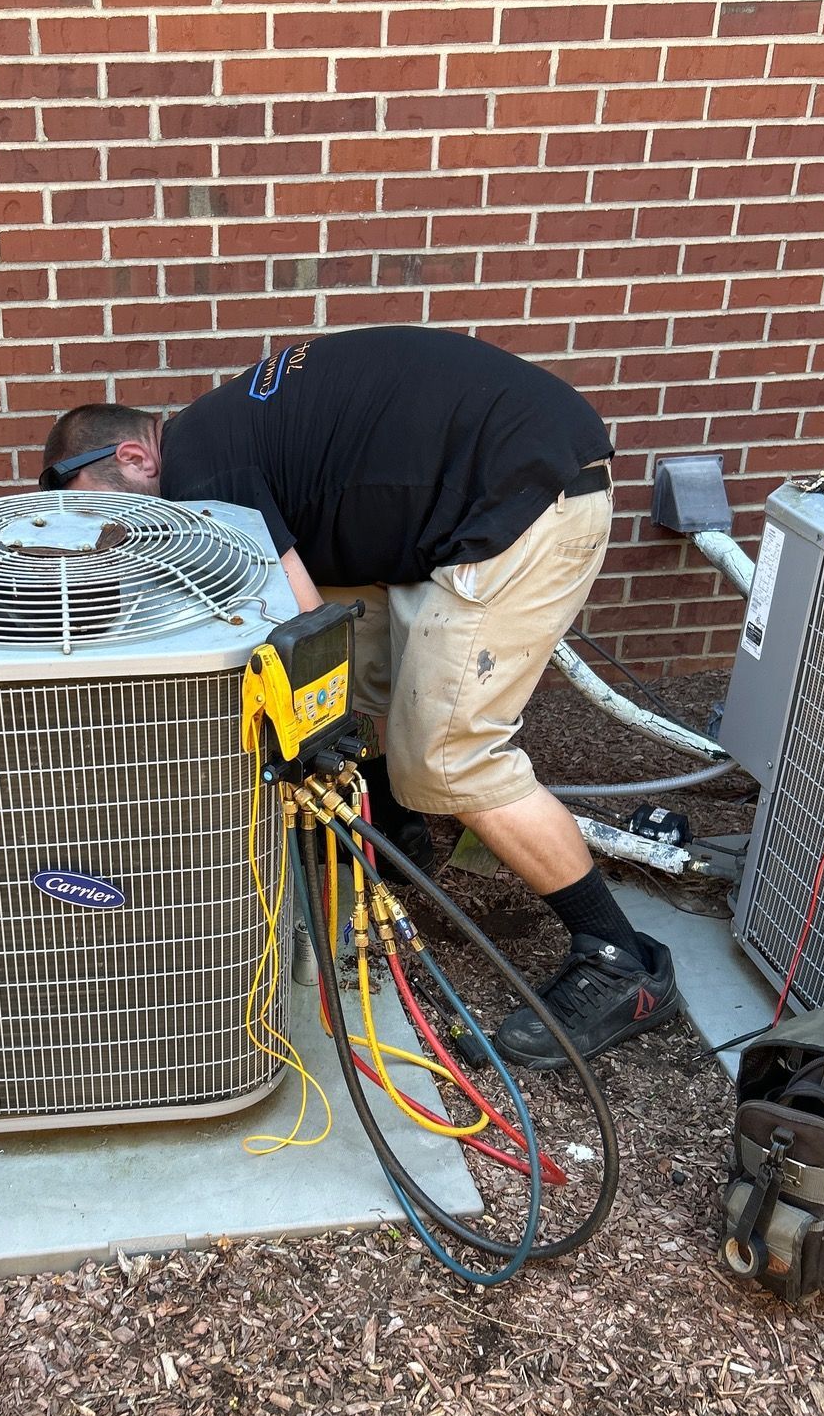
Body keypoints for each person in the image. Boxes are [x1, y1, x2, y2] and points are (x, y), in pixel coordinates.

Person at [38, 325, 679, 1070]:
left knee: (448, 759)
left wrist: (310, 738)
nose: (116, 535)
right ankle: (396, 833)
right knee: (364, 660)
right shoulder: (223, 428)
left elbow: (299, 617)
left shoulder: (200, 466)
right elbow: (329, 613)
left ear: (133, 457)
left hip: (523, 499)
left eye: (97, 511)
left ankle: (619, 961)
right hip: (482, 488)